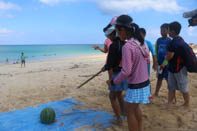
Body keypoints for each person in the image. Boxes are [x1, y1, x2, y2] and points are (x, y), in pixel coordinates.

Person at [107, 15, 150, 131]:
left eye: (117, 31)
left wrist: (113, 81)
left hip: (135, 85)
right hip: (145, 83)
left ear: (123, 30)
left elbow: (126, 71)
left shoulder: (127, 46)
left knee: (129, 111)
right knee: (135, 108)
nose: (117, 34)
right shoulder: (142, 42)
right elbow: (147, 60)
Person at [102, 24, 127, 126]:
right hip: (124, 73)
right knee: (119, 94)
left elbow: (110, 63)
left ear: (113, 34)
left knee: (112, 97)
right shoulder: (125, 44)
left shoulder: (113, 46)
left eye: (108, 36)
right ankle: (124, 113)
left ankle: (119, 120)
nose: (108, 38)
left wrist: (106, 67)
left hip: (117, 74)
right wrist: (107, 66)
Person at [166, 21, 190, 108]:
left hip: (176, 68)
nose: (168, 32)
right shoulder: (181, 40)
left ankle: (185, 104)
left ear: (172, 31)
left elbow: (170, 56)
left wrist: (165, 59)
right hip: (180, 68)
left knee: (176, 87)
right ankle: (171, 103)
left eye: (168, 30)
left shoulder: (172, 42)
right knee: (181, 87)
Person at [153, 24, 171, 97]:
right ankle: (156, 93)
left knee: (168, 80)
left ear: (167, 31)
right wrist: (156, 61)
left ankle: (172, 95)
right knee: (159, 79)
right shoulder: (158, 40)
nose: (162, 32)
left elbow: (169, 54)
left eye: (164, 30)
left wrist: (164, 63)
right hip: (160, 63)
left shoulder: (169, 41)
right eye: (161, 30)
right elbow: (156, 51)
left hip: (167, 64)